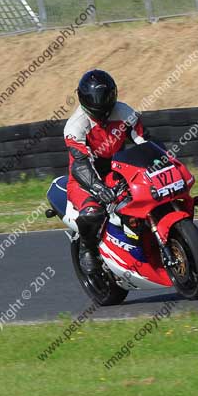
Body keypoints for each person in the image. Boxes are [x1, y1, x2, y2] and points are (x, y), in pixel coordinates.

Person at [64, 69, 148, 275]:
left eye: (105, 98)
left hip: (119, 171)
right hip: (84, 179)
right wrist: (98, 188)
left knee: (145, 197)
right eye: (96, 101)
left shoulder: (125, 113)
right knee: (93, 213)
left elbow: (145, 142)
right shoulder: (75, 126)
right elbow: (80, 164)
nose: (102, 106)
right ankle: (87, 249)